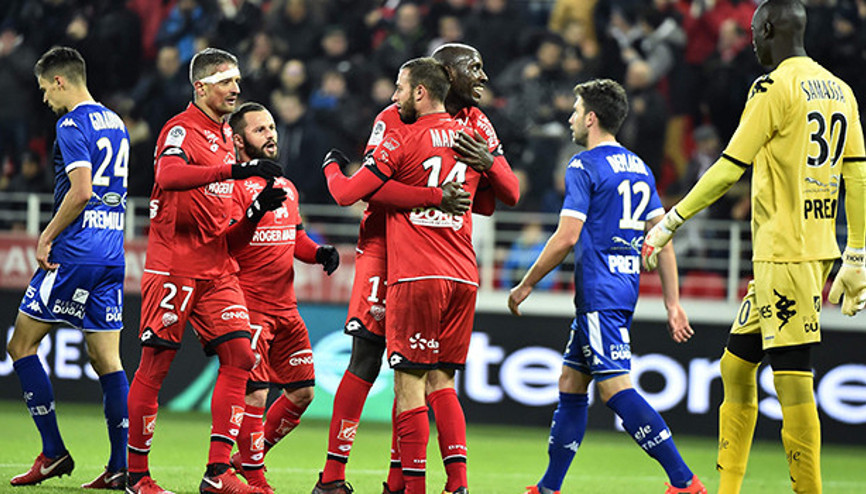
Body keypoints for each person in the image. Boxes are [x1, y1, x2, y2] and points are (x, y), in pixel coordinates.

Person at [641, 1, 866, 492]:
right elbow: (856, 174)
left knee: (792, 379)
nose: (751, 41)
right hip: (807, 246)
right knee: (736, 366)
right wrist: (856, 252)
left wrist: (671, 221)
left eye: (752, 31)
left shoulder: (772, 87)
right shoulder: (840, 89)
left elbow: (728, 167)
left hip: (786, 251)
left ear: (767, 29)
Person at [314, 44, 519, 494]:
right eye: (474, 68)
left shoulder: (477, 123)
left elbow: (503, 195)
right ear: (446, 74)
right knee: (368, 358)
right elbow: (373, 191)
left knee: (415, 373)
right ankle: (333, 475)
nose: (483, 77)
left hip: (428, 254)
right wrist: (436, 197)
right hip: (385, 247)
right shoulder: (393, 117)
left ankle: (400, 481)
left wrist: (486, 164)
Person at [508, 79, 707, 494]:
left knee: (615, 389)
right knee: (571, 382)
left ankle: (684, 481)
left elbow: (566, 236)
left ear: (591, 118)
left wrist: (526, 284)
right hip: (620, 289)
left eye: (576, 110)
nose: (571, 117)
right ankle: (548, 487)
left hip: (599, 291)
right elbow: (663, 237)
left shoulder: (583, 165)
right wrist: (672, 303)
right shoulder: (639, 167)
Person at [125, 48, 284, 494]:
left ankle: (217, 473)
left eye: (237, 81)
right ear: (200, 86)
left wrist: (254, 211)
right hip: (174, 266)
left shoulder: (226, 137)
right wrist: (234, 170)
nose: (235, 89)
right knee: (155, 366)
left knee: (241, 356)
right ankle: (137, 475)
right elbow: (169, 175)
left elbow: (230, 237)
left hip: (217, 268)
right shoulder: (180, 129)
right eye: (226, 81)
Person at [7, 45, 131, 490]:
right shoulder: (116, 123)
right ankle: (120, 466)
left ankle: (53, 452)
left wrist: (46, 236)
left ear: (60, 81)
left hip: (74, 253)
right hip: (112, 252)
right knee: (107, 360)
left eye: (45, 89)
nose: (45, 99)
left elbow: (81, 191)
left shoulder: (71, 124)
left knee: (21, 345)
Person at [224, 101, 341, 494]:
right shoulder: (231, 188)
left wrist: (319, 253)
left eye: (272, 127)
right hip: (249, 306)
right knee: (255, 393)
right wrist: (254, 212)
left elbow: (296, 239)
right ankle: (255, 478)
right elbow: (227, 243)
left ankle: (244, 459)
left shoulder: (286, 187)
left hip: (286, 309)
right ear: (239, 140)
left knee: (302, 392)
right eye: (260, 129)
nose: (271, 134)